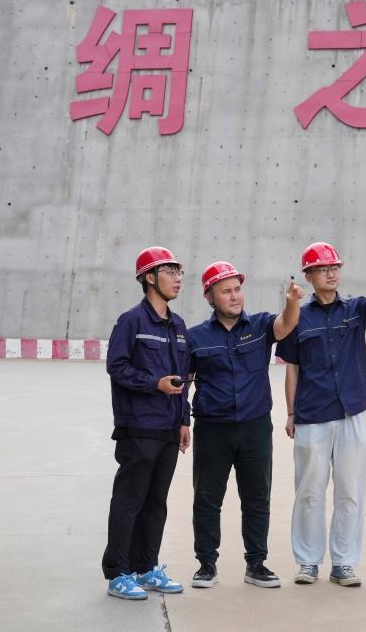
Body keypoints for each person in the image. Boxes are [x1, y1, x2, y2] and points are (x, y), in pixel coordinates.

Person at [275, 242, 366, 587]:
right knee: (309, 492)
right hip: (312, 414)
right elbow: (292, 368)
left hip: (352, 412)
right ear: (309, 276)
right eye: (323, 269)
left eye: (335, 267)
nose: (331, 274)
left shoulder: (354, 309)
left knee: (350, 491)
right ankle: (307, 562)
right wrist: (290, 413)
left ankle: (344, 563)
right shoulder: (298, 318)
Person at [187, 261, 305, 589]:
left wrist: (292, 302)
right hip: (212, 429)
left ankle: (256, 564)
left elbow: (286, 324)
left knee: (256, 498)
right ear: (209, 297)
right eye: (226, 291)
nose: (235, 296)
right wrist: (182, 422)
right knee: (207, 498)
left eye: (237, 289)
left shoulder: (261, 325)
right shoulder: (195, 337)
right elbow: (184, 382)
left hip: (255, 428)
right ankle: (206, 565)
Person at [101, 246, 192, 600]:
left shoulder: (178, 325)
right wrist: (154, 383)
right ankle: (118, 573)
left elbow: (184, 376)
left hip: (169, 427)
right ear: (149, 278)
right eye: (169, 272)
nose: (177, 279)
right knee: (130, 501)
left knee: (156, 503)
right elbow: (117, 366)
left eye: (179, 272)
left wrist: (183, 420)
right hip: (138, 427)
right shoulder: (132, 321)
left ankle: (146, 567)